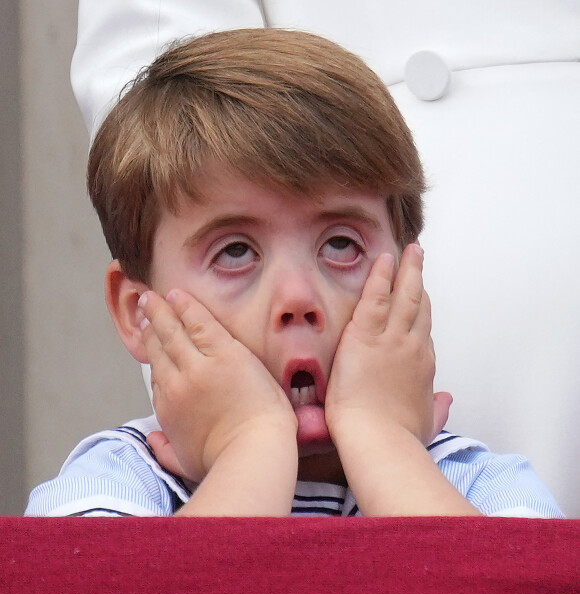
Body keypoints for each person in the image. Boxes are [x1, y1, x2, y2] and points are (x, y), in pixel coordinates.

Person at [26, 29, 562, 517]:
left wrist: (384, 440)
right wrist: (250, 445)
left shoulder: (481, 485)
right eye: (234, 252)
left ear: (407, 286)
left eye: (340, 244)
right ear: (138, 314)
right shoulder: (114, 482)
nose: (298, 296)